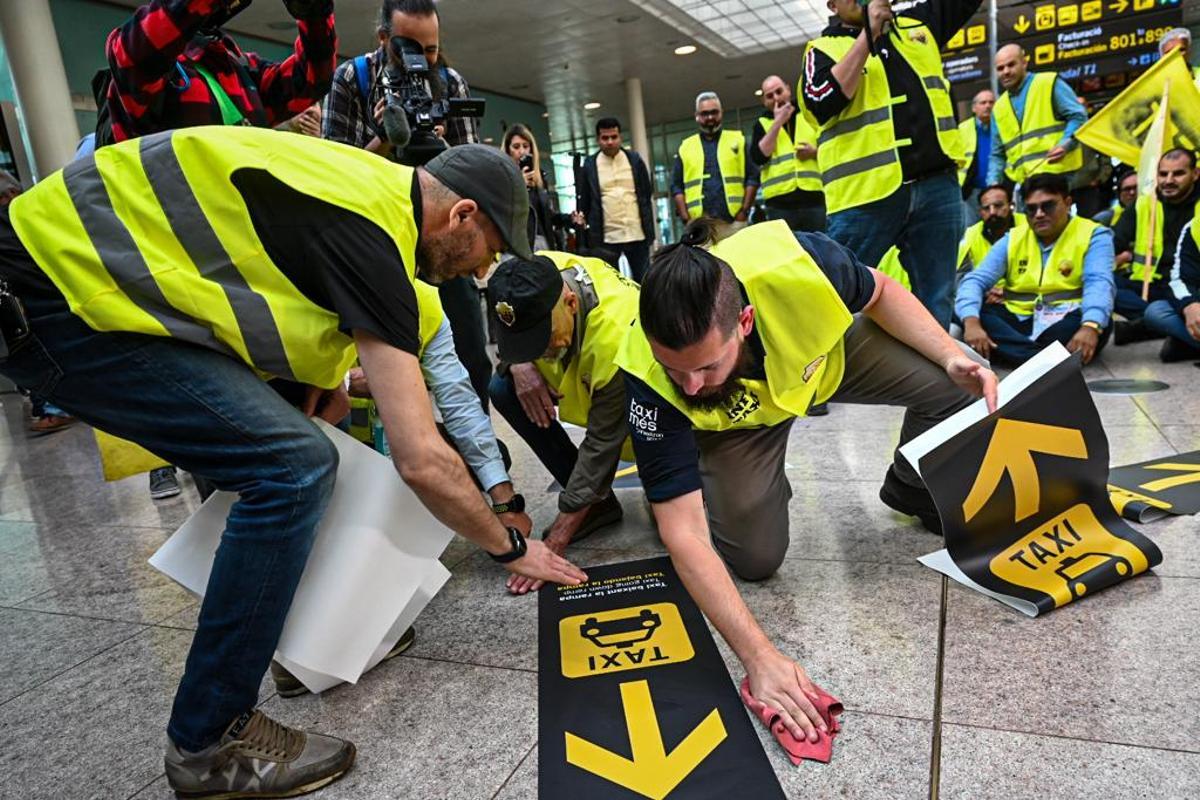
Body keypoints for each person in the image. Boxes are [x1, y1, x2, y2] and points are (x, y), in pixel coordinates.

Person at [0, 128, 586, 798]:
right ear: (463, 216)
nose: (476, 270)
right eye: (485, 254)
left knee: (290, 451)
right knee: (291, 466)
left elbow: (294, 343)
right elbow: (422, 459)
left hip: (70, 280)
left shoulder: (357, 189)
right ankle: (208, 741)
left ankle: (300, 642)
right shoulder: (372, 237)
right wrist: (510, 546)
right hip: (56, 294)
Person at [615, 218, 997, 743]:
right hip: (739, 426)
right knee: (755, 559)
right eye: (674, 369)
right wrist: (760, 657)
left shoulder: (797, 263)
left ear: (744, 321)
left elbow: (881, 290)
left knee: (959, 386)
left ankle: (908, 484)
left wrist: (951, 353)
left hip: (826, 365)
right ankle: (735, 481)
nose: (691, 384)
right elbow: (682, 532)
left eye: (705, 365)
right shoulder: (646, 375)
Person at [272, 281, 529, 698]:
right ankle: (290, 649)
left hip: (376, 445)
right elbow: (418, 463)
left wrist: (504, 500)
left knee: (478, 457)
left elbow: (458, 404)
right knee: (301, 484)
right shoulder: (298, 310)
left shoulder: (423, 304)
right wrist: (508, 547)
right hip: (298, 434)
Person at [322, 0, 493, 410]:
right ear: (384, 38)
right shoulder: (352, 79)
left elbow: (473, 179)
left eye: (430, 49)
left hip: (443, 243)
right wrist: (385, 138)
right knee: (387, 361)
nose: (422, 59)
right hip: (376, 246)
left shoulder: (451, 84)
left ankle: (477, 449)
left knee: (469, 351)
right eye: (409, 47)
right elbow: (331, 179)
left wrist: (439, 145)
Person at [801, 0, 978, 329]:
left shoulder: (918, 26)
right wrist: (869, 34)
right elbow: (821, 102)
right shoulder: (821, 49)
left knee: (936, 296)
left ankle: (931, 376)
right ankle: (842, 376)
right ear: (831, 5)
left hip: (937, 188)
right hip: (864, 199)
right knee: (837, 295)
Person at [487, 252, 641, 595]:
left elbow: (601, 446)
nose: (538, 352)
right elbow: (516, 332)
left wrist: (558, 540)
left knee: (673, 523)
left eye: (542, 339)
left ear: (571, 302)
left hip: (645, 427)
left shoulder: (616, 335)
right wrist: (517, 363)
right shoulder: (532, 275)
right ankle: (596, 508)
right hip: (596, 397)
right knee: (504, 387)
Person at [102, 0, 337, 144]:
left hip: (245, 220)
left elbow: (314, 79)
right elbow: (141, 48)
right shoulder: (141, 61)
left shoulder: (236, 66)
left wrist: (313, 12)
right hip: (174, 222)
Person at [958, 173, 1115, 367]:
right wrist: (972, 322)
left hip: (1066, 320)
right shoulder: (1013, 238)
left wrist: (1090, 326)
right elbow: (975, 280)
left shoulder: (1094, 234)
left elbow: (1099, 283)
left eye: (1047, 206)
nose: (1039, 214)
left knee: (1098, 322)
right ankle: (1046, 361)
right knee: (967, 310)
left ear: (1067, 203)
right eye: (1031, 209)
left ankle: (1018, 356)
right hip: (1018, 319)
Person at [1112, 149, 1200, 344]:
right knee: (1104, 285)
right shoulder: (1143, 204)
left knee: (1160, 312)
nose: (1168, 180)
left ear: (1195, 174)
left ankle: (1160, 330)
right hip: (1150, 287)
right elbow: (1114, 243)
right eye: (1163, 174)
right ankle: (1159, 327)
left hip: (1193, 285)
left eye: (1178, 174)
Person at [987, 44, 1088, 190]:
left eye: (1011, 65)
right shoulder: (998, 107)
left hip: (1058, 175)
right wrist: (993, 184)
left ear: (1024, 63)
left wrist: (1066, 143)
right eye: (1000, 68)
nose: (1006, 72)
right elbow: (997, 154)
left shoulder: (1047, 83)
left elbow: (1079, 116)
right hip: (1026, 182)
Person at [574, 117, 656, 281]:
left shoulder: (635, 160)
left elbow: (646, 193)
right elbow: (586, 200)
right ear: (598, 139)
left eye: (614, 137)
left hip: (637, 233)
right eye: (605, 138)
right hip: (606, 238)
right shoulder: (590, 165)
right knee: (611, 283)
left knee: (645, 283)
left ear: (620, 137)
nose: (610, 142)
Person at [750, 75, 826, 232]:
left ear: (788, 90)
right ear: (764, 101)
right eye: (770, 96)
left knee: (819, 249)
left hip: (813, 198)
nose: (776, 98)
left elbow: (830, 147)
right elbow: (759, 157)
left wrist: (814, 152)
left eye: (779, 91)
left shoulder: (808, 114)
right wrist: (778, 122)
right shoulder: (762, 124)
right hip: (780, 204)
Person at [671, 91, 759, 224]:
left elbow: (753, 177)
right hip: (699, 224)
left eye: (714, 112)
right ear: (697, 116)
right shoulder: (686, 147)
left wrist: (744, 211)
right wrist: (686, 218)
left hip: (734, 221)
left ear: (721, 113)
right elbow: (676, 186)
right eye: (704, 113)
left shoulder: (738, 140)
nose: (710, 117)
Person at [503, 123, 567, 251]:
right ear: (508, 150)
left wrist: (569, 219)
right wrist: (519, 185)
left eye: (526, 146)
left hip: (542, 243)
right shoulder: (502, 178)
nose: (521, 151)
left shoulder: (539, 178)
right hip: (516, 247)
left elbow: (548, 215)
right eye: (516, 146)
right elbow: (503, 214)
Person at [1157, 209, 1200, 360]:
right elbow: (1179, 279)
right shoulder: (1195, 227)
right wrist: (1190, 305)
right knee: (1157, 312)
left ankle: (1190, 345)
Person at [959, 89, 995, 219]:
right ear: (974, 108)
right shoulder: (963, 129)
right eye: (983, 103)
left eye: (991, 102)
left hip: (996, 189)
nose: (988, 106)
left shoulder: (1003, 127)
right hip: (970, 191)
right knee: (971, 231)